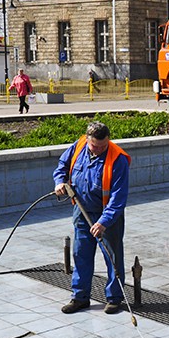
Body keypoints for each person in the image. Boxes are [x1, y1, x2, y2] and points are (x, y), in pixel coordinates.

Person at [53, 122, 131, 315]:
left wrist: (103, 222)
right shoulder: (79, 146)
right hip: (81, 211)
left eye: (103, 146)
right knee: (81, 255)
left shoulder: (117, 159)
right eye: (95, 146)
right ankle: (80, 297)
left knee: (112, 257)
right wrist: (60, 181)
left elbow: (118, 198)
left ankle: (114, 298)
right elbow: (62, 165)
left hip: (107, 216)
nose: (99, 150)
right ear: (87, 139)